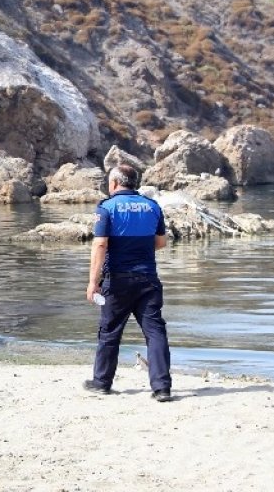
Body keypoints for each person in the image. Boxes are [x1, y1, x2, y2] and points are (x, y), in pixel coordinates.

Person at [83, 163, 173, 402]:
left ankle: (101, 382)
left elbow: (100, 244)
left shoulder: (107, 208)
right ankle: (162, 387)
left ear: (113, 183)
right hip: (147, 279)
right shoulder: (152, 206)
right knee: (155, 332)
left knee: (110, 331)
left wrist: (93, 282)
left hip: (118, 279)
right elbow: (161, 243)